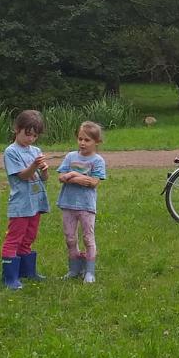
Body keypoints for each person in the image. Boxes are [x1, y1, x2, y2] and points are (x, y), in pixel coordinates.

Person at [0, 109, 50, 290]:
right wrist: (35, 165)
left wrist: (44, 170)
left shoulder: (35, 150)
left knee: (29, 236)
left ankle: (27, 271)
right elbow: (23, 175)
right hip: (21, 204)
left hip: (35, 202)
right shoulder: (11, 151)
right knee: (14, 238)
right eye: (27, 134)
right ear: (17, 129)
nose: (31, 139)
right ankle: (9, 277)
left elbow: (43, 179)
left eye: (35, 136)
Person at [57, 121, 108, 283]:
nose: (82, 143)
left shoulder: (98, 160)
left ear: (96, 142)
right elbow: (61, 177)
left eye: (87, 140)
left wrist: (72, 175)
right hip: (68, 204)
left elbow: (93, 182)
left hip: (86, 206)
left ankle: (89, 271)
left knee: (87, 238)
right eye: (80, 139)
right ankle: (74, 269)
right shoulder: (70, 157)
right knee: (70, 238)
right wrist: (75, 177)